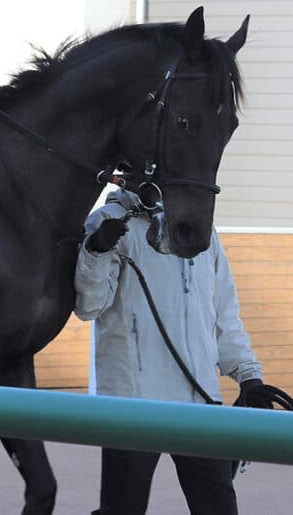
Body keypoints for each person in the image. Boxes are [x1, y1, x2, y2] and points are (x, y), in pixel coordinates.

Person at [74, 187, 274, 515]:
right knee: (122, 510)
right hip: (132, 406)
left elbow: (223, 315)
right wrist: (96, 251)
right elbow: (89, 306)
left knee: (218, 508)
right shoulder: (106, 222)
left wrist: (249, 375)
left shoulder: (198, 227)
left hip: (199, 404)